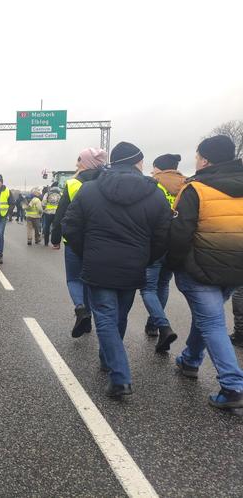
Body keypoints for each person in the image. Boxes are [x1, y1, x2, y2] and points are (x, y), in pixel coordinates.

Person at [62, 142, 171, 397]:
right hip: (133, 266)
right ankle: (108, 360)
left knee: (106, 317)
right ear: (136, 163)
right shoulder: (155, 194)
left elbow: (70, 227)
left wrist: (86, 252)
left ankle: (120, 376)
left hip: (98, 265)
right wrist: (146, 258)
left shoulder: (89, 190)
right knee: (118, 316)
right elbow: (163, 236)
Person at [167, 135, 243, 410]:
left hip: (200, 269)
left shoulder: (195, 189)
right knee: (207, 315)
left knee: (211, 321)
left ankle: (233, 385)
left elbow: (179, 234)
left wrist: (173, 264)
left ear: (206, 160)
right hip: (236, 269)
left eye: (198, 156)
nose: (196, 161)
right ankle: (190, 360)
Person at [52, 147, 108, 337]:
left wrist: (55, 238)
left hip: (74, 240)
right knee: (92, 281)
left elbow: (61, 213)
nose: (76, 164)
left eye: (79, 160)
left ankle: (81, 309)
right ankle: (91, 318)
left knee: (74, 279)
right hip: (100, 241)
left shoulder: (73, 184)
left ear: (85, 163)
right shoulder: (108, 181)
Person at [139, 153, 185, 352]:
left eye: (154, 167)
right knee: (163, 284)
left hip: (155, 243)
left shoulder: (152, 185)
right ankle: (153, 324)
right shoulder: (186, 185)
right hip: (176, 244)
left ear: (158, 168)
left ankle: (163, 327)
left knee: (148, 288)